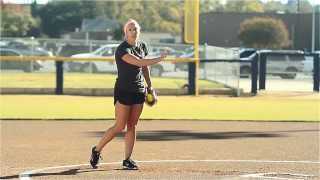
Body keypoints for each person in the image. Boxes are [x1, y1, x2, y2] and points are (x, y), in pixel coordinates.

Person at [89, 19, 167, 170]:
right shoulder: (122, 49)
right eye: (130, 29)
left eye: (135, 29)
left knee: (132, 125)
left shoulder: (142, 46)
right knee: (120, 126)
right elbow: (139, 62)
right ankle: (96, 150)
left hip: (138, 90)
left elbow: (144, 68)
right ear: (125, 33)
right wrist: (159, 59)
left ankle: (127, 159)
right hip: (123, 90)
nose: (133, 31)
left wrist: (150, 87)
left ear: (139, 31)